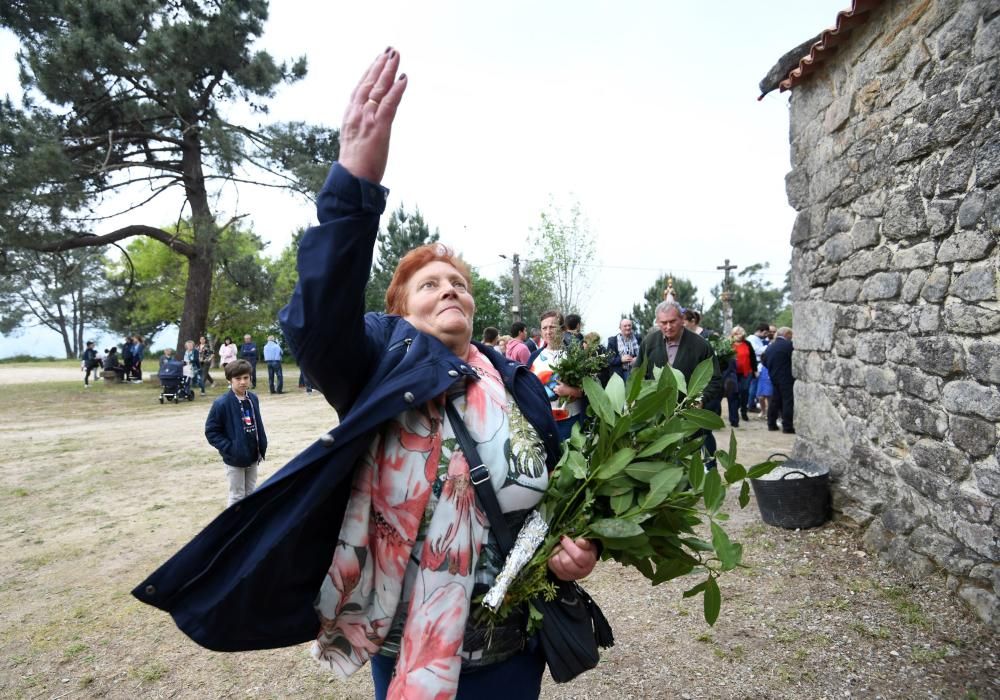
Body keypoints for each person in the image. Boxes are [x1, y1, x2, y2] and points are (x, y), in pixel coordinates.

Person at [134, 50, 596, 700]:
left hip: (516, 647)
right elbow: (317, 326)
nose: (450, 290)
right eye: (429, 284)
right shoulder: (384, 360)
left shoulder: (512, 380)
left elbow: (558, 491)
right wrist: (353, 191)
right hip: (407, 641)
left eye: (458, 283)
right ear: (398, 309)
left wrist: (574, 552)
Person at [635, 301, 723, 468]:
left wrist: (701, 399)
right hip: (657, 413)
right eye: (663, 323)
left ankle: (704, 479)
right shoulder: (649, 343)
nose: (668, 326)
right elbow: (637, 373)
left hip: (689, 413)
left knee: (694, 451)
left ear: (682, 319)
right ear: (657, 322)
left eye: (672, 321)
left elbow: (715, 379)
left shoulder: (700, 346)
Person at [204, 359, 267, 506]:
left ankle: (249, 524)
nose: (242, 382)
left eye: (246, 377)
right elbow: (212, 431)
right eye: (238, 378)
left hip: (253, 454)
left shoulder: (253, 398)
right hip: (235, 458)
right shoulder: (222, 403)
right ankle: (232, 526)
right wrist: (231, 448)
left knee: (250, 493)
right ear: (230, 380)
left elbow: (256, 424)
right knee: (237, 496)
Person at [529, 310, 586, 441]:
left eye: (552, 327)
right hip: (544, 423)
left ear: (562, 329)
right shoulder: (534, 357)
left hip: (570, 422)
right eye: (544, 328)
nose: (548, 331)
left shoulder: (574, 355)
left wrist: (570, 391)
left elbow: (590, 390)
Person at [763, 327, 795, 434]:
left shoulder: (770, 347)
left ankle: (771, 424)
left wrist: (772, 369)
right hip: (786, 377)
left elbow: (764, 360)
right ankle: (787, 426)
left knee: (774, 401)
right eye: (791, 335)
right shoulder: (789, 346)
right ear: (787, 334)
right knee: (787, 401)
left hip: (774, 377)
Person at [728, 326, 757, 427]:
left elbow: (752, 357)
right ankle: (734, 415)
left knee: (745, 391)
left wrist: (755, 370)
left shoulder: (747, 344)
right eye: (736, 333)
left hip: (746, 372)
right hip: (733, 374)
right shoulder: (729, 344)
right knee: (734, 394)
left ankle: (744, 410)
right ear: (732, 334)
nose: (738, 335)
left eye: (740, 332)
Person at [746, 323, 770, 413]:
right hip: (755, 364)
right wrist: (768, 346)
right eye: (765, 333)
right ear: (760, 331)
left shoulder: (756, 339)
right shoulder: (752, 339)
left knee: (754, 385)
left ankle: (751, 403)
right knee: (754, 385)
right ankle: (750, 404)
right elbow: (757, 351)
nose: (766, 335)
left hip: (757, 364)